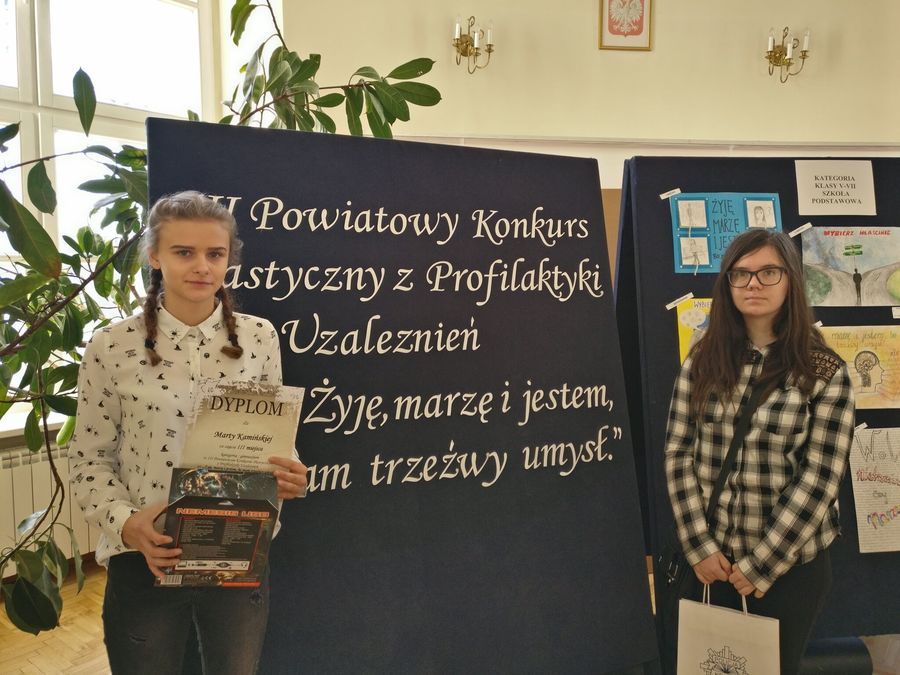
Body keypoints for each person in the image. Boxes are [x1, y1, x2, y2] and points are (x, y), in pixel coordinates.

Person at [70, 191, 308, 674]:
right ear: (155, 256)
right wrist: (125, 523)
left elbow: (271, 439)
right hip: (146, 555)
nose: (202, 266)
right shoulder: (111, 346)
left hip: (237, 550)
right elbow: (88, 457)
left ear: (229, 259)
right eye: (184, 252)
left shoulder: (260, 337)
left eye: (215, 254)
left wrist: (292, 472)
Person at [664, 229, 855, 674]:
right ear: (727, 284)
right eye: (741, 273)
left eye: (769, 272)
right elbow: (677, 451)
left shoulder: (824, 370)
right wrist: (698, 546)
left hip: (787, 571)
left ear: (790, 281)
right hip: (710, 563)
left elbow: (820, 479)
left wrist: (761, 564)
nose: (753, 283)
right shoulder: (703, 359)